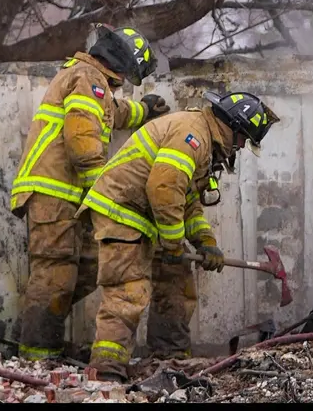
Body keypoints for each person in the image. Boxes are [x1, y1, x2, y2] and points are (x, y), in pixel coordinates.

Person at [80, 90, 278, 381]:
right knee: (127, 292)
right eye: (244, 140)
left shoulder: (203, 139)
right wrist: (173, 242)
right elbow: (163, 187)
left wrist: (205, 242)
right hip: (121, 211)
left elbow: (186, 201)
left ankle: (168, 361)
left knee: (176, 279)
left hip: (144, 217)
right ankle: (106, 374)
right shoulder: (192, 135)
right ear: (235, 129)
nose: (240, 148)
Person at [9, 24, 169, 361]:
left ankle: (33, 334)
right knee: (56, 273)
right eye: (129, 75)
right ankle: (37, 357)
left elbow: (114, 114)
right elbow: (83, 143)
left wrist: (145, 111)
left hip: (64, 194)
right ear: (122, 65)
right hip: (54, 192)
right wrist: (105, 194)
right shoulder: (87, 77)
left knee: (89, 265)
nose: (125, 82)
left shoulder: (90, 81)